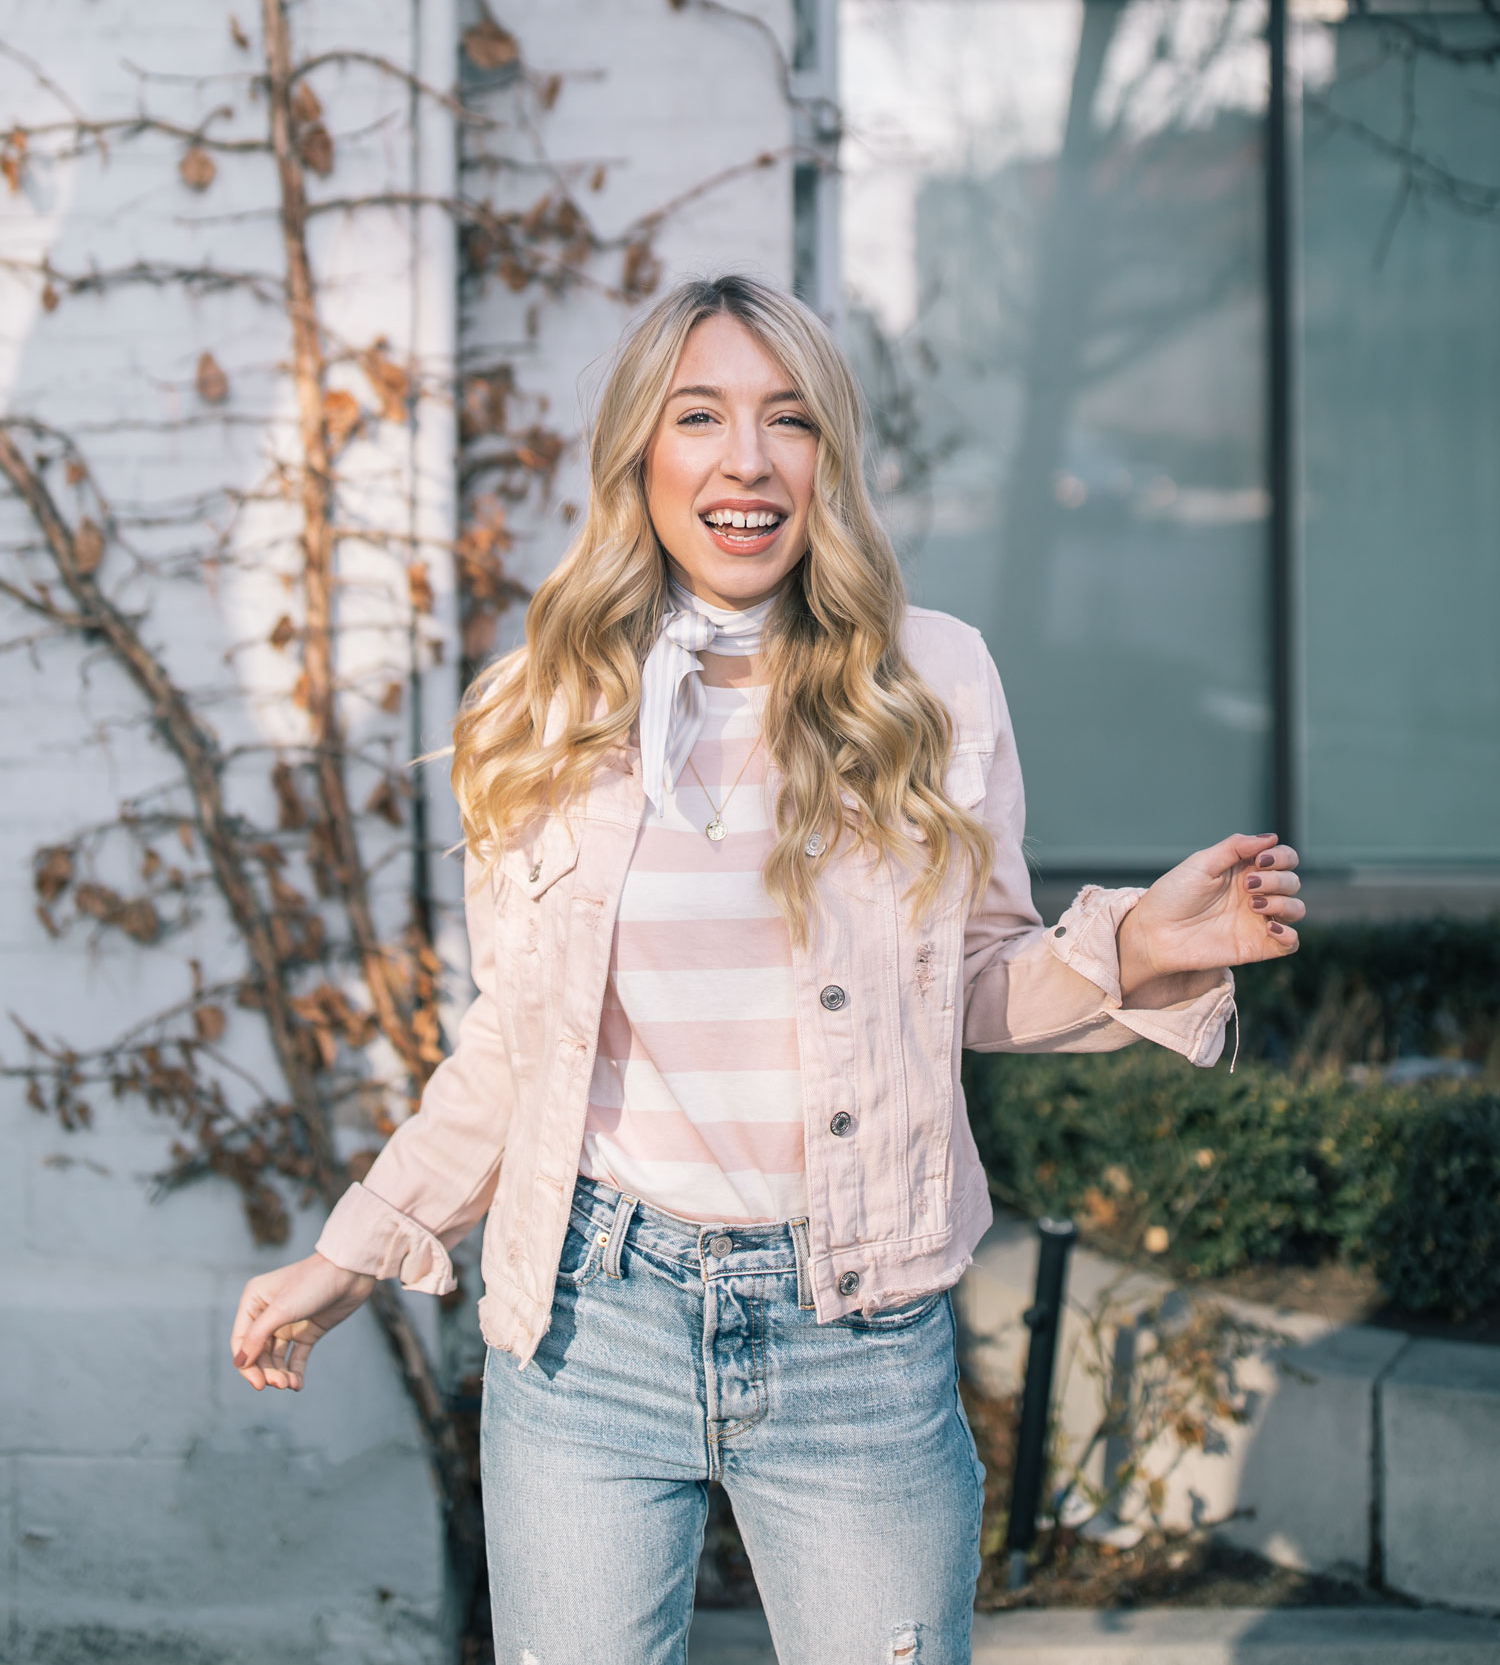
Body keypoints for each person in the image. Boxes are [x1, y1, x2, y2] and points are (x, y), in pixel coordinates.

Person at [231, 275, 1304, 1665]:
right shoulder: (534, 707)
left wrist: (1137, 948)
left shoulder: (931, 678)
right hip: (587, 1320)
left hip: (853, 1323)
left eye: (787, 419)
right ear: (643, 454)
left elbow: (969, 981)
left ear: (826, 457)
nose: (747, 458)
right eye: (701, 417)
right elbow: (518, 1043)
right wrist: (352, 1248)